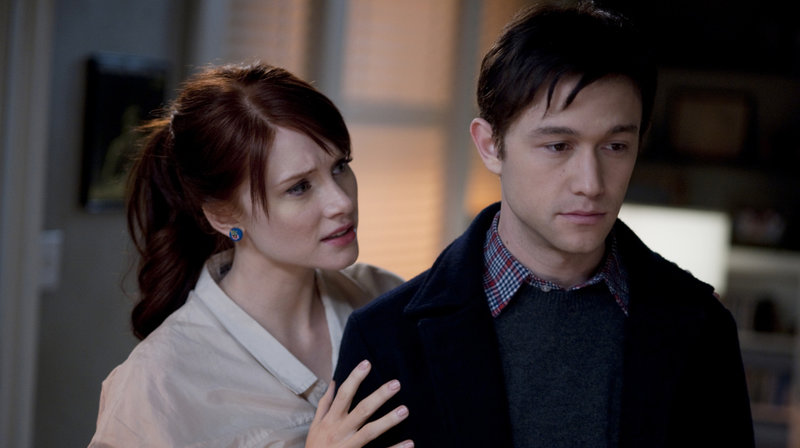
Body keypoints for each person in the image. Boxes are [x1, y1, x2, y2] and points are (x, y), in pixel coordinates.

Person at [333, 3, 754, 447]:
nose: (591, 184)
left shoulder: (702, 327)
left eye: (615, 146)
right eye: (558, 146)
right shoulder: (384, 339)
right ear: (490, 145)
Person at [89, 63, 414, 448]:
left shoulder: (389, 299)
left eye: (340, 166)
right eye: (299, 187)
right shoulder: (154, 383)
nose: (341, 201)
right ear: (224, 215)